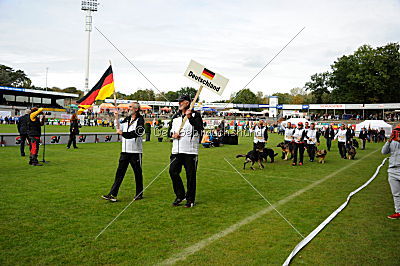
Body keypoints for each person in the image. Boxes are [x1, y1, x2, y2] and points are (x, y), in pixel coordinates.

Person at [102, 102, 145, 202]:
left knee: (137, 173)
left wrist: (123, 133)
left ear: (136, 109)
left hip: (135, 152)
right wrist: (116, 118)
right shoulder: (126, 119)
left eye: (130, 107)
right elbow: (118, 128)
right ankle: (112, 194)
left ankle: (139, 193)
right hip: (124, 151)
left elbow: (137, 133)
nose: (128, 108)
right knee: (119, 173)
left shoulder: (140, 120)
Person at [169, 95, 203, 208]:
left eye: (181, 102)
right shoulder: (175, 116)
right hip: (176, 151)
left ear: (188, 103)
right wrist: (172, 135)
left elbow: (199, 128)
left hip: (190, 151)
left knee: (190, 176)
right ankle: (180, 195)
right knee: (172, 171)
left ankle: (190, 199)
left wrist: (190, 118)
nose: (179, 103)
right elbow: (169, 131)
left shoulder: (195, 115)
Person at [381, 124, 400, 219]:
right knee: (396, 193)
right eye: (397, 131)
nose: (398, 132)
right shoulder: (391, 142)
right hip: (393, 169)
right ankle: (398, 211)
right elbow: (384, 152)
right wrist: (389, 141)